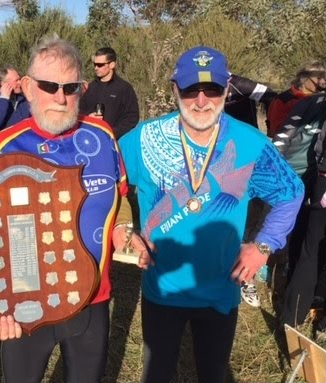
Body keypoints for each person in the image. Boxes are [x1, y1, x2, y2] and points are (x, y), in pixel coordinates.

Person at [118, 46, 304, 383]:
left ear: (228, 87)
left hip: (221, 289)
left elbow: (290, 193)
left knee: (213, 373)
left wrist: (262, 246)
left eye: (213, 89)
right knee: (156, 374)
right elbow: (104, 185)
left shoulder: (250, 142)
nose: (201, 101)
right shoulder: (143, 139)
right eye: (191, 89)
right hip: (163, 288)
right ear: (175, 88)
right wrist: (122, 228)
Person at [0, 36, 149, 383]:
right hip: (26, 303)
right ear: (27, 86)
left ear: (82, 88)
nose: (60, 97)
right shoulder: (3, 146)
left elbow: (119, 197)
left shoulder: (102, 136)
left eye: (70, 87)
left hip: (91, 297)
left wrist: (123, 232)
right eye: (49, 85)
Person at [224, 74, 277, 308]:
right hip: (217, 155)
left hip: (247, 152)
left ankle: (248, 275)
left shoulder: (240, 84)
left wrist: (271, 127)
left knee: (250, 212)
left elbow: (273, 96)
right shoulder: (201, 87)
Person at [279, 92, 326, 337]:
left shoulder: (317, 100)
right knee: (311, 248)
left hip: (322, 178)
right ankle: (303, 322)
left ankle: (292, 320)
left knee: (311, 249)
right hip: (322, 178)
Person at [79, 47, 139, 140]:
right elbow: (78, 112)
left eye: (100, 65)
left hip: (115, 142)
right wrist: (88, 117)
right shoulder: (90, 88)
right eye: (94, 64)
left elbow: (132, 117)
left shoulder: (124, 88)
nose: (96, 68)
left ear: (112, 65)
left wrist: (112, 132)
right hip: (90, 140)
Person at [267, 60, 325, 138]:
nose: (321, 82)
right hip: (289, 146)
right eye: (318, 78)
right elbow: (277, 132)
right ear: (304, 78)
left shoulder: (320, 99)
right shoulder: (284, 100)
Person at [0, 65, 31, 139]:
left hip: (22, 146)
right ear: (4, 84)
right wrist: (3, 99)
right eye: (16, 80)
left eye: (19, 79)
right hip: (2, 147)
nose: (20, 83)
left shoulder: (23, 100)